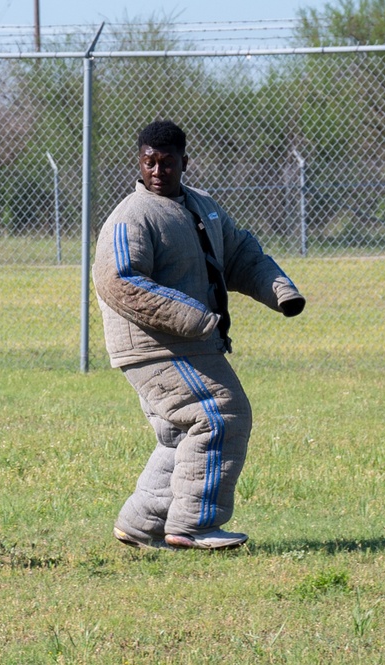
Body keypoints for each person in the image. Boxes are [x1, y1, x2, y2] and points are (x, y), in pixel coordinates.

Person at [93, 120, 306, 550]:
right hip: (155, 346)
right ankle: (193, 526)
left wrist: (280, 290)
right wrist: (193, 318)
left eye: (167, 162)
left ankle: (141, 523)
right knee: (220, 415)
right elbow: (119, 280)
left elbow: (240, 253)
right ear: (139, 161)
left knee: (181, 434)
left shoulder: (203, 206)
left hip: (191, 341)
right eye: (149, 161)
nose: (157, 170)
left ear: (184, 163)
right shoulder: (131, 216)